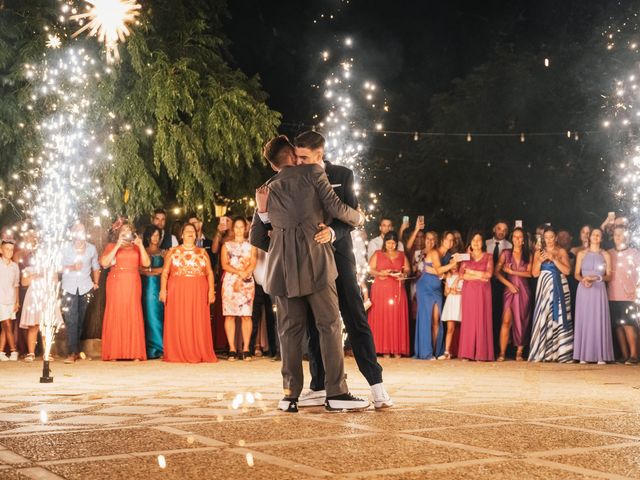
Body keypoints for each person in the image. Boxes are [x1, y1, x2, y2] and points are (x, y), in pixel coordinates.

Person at [250, 134, 368, 413]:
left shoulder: (265, 189)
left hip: (283, 269)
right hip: (316, 263)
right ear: (292, 156)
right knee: (329, 326)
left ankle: (290, 395)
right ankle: (337, 393)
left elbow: (256, 236)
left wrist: (280, 244)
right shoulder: (314, 173)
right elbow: (336, 208)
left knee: (289, 332)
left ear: (272, 164)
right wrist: (359, 218)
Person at [292, 130, 391, 409]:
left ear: (319, 156)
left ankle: (377, 385)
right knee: (315, 323)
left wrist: (333, 233)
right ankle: (319, 385)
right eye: (296, 156)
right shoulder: (294, 177)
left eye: (304, 157)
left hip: (340, 257)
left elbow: (352, 216)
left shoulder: (342, 175)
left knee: (355, 317)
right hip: (309, 260)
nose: (298, 162)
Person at [160, 222, 216, 363]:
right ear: (182, 235)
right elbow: (165, 272)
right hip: (177, 290)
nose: (191, 233)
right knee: (179, 319)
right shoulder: (173, 252)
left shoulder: (202, 252)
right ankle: (178, 352)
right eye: (187, 231)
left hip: (198, 289)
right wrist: (163, 290)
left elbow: (209, 272)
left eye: (193, 231)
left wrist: (211, 291)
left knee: (196, 319)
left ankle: (198, 350)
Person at [100, 220, 150, 361]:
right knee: (116, 311)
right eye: (123, 231)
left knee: (133, 312)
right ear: (118, 233)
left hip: (133, 281)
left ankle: (134, 352)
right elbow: (104, 263)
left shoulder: (136, 247)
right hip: (116, 281)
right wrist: (117, 246)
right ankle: (115, 352)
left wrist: (140, 246)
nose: (126, 233)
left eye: (128, 231)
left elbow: (146, 263)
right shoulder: (111, 246)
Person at [529, 226, 574, 362]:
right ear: (543, 239)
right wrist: (540, 261)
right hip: (544, 287)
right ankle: (544, 353)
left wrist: (554, 259)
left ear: (555, 237)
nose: (549, 240)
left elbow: (567, 271)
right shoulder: (538, 252)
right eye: (546, 237)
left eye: (551, 237)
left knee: (560, 316)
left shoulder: (561, 251)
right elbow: (534, 273)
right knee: (544, 315)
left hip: (560, 287)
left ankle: (562, 353)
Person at [61, 222, 101, 363]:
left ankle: (76, 350)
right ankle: (72, 352)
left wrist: (95, 283)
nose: (80, 232)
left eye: (82, 230)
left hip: (85, 287)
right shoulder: (65, 248)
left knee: (80, 320)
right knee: (71, 319)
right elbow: (58, 267)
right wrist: (72, 267)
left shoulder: (91, 248)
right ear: (71, 232)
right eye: (77, 230)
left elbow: (96, 266)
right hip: (69, 287)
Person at [574, 228, 614, 364]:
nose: (596, 237)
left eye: (599, 235)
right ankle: (583, 355)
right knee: (585, 320)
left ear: (601, 238)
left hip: (599, 288)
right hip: (584, 289)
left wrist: (598, 277)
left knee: (598, 320)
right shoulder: (581, 254)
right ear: (589, 237)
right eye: (594, 234)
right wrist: (583, 280)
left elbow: (609, 275)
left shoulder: (606, 254)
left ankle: (600, 355)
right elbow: (576, 274)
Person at [367, 231, 410, 357]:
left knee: (396, 317)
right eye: (389, 243)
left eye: (393, 243)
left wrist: (403, 274)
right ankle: (383, 349)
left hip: (396, 289)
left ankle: (397, 349)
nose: (391, 245)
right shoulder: (378, 254)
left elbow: (407, 269)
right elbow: (370, 269)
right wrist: (381, 273)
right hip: (381, 289)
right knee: (383, 317)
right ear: (385, 242)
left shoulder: (401, 255)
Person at [414, 231, 456, 359]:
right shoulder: (434, 252)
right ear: (442, 240)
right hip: (425, 287)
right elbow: (437, 269)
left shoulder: (449, 255)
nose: (450, 242)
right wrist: (451, 265)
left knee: (436, 320)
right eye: (447, 239)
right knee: (427, 319)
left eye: (452, 240)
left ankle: (436, 351)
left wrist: (445, 273)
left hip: (437, 288)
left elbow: (445, 273)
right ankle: (427, 352)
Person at [221, 217, 257, 361]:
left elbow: (253, 262)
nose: (239, 229)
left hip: (246, 282)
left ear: (245, 228)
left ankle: (246, 348)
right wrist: (238, 274)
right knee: (229, 315)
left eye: (242, 227)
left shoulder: (251, 245)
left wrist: (243, 276)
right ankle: (232, 349)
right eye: (236, 226)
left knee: (246, 315)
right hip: (230, 282)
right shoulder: (227, 245)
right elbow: (224, 264)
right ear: (233, 228)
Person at [494, 227, 532, 361]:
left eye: (520, 237)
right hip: (509, 290)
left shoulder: (528, 254)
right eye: (515, 237)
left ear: (523, 240)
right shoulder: (505, 253)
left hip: (523, 291)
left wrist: (512, 272)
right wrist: (509, 284)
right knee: (506, 320)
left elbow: (530, 273)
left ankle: (519, 352)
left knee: (522, 321)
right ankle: (502, 353)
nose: (517, 239)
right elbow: (496, 272)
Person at [458, 232, 494, 361]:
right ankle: (467, 353)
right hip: (469, 291)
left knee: (482, 319)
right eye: (473, 240)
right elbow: (462, 275)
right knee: (469, 320)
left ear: (482, 242)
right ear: (470, 242)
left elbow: (489, 275)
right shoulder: (466, 257)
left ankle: (481, 354)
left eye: (479, 240)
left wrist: (472, 272)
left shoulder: (488, 256)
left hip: (483, 292)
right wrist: (480, 275)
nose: (476, 242)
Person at [607, 225, 640, 364]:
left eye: (621, 234)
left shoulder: (634, 252)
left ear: (626, 236)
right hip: (612, 295)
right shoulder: (609, 253)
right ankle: (624, 355)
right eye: (616, 234)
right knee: (618, 326)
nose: (619, 236)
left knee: (629, 324)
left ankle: (634, 355)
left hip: (629, 295)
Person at [486, 220, 512, 356]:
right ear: (494, 229)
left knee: (500, 316)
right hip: (486, 284)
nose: (501, 231)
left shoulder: (510, 246)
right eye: (499, 228)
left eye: (504, 230)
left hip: (503, 284)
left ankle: (498, 348)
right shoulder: (485, 244)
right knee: (487, 315)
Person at [140, 225, 164, 359]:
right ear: (148, 237)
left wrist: (149, 271)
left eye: (158, 235)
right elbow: (139, 270)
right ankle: (153, 348)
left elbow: (165, 270)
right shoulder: (144, 251)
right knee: (150, 316)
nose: (156, 238)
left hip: (160, 287)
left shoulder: (163, 252)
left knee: (160, 316)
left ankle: (160, 347)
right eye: (153, 235)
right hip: (147, 289)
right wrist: (155, 271)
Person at [0, 239, 20, 361]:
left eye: (11, 249)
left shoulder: (15, 266)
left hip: (11, 299)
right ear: (1, 250)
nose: (9, 251)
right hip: (0, 300)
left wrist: (17, 301)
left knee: (6, 327)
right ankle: (13, 350)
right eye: (7, 249)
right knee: (6, 324)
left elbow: (16, 285)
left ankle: (1, 352)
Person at [441, 263, 462, 359]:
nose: (453, 268)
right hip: (451, 302)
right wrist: (449, 290)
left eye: (455, 266)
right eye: (452, 266)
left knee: (462, 328)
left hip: (461, 301)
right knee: (450, 328)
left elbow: (468, 290)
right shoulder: (448, 276)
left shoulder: (463, 276)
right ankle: (447, 351)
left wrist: (458, 292)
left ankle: (462, 350)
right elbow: (445, 293)